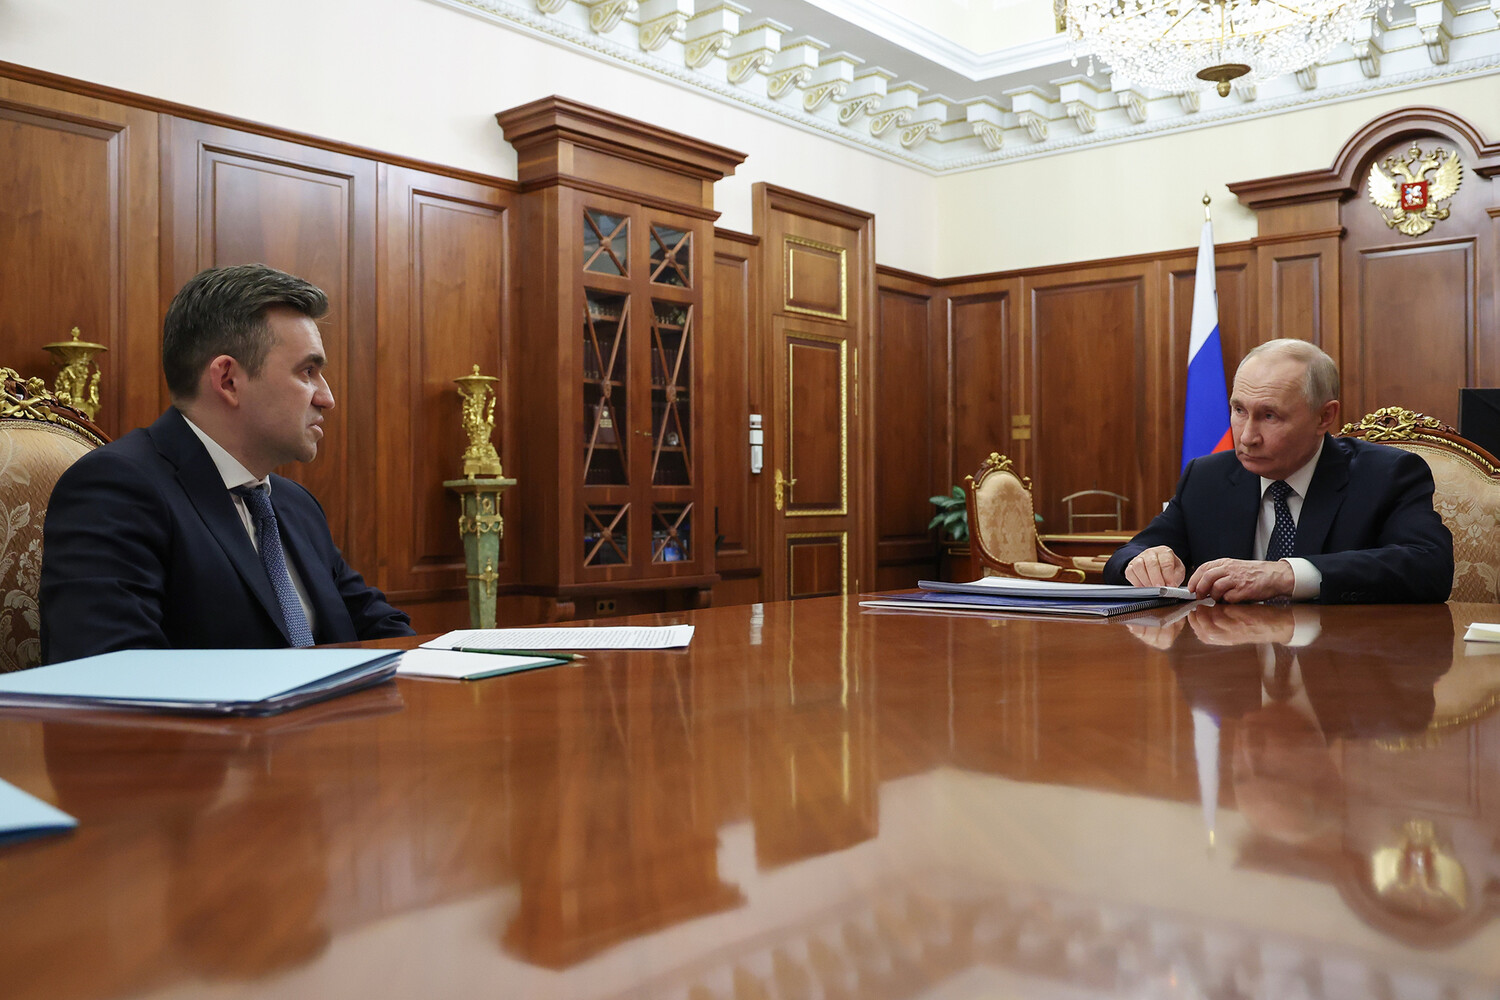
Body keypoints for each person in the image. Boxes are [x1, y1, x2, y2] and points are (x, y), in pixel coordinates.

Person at [40, 264, 413, 662]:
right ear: (228, 380)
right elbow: (111, 671)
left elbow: (380, 628)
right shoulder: (115, 490)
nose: (327, 398)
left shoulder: (295, 504)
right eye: (308, 372)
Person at [1104, 338, 1452, 603]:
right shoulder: (1207, 477)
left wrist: (1286, 574)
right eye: (1239, 411)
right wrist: (1144, 561)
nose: (1247, 437)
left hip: (1340, 665)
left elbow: (1429, 566)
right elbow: (1129, 554)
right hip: (1231, 666)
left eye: (1269, 416)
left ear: (1324, 416)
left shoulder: (1386, 474)